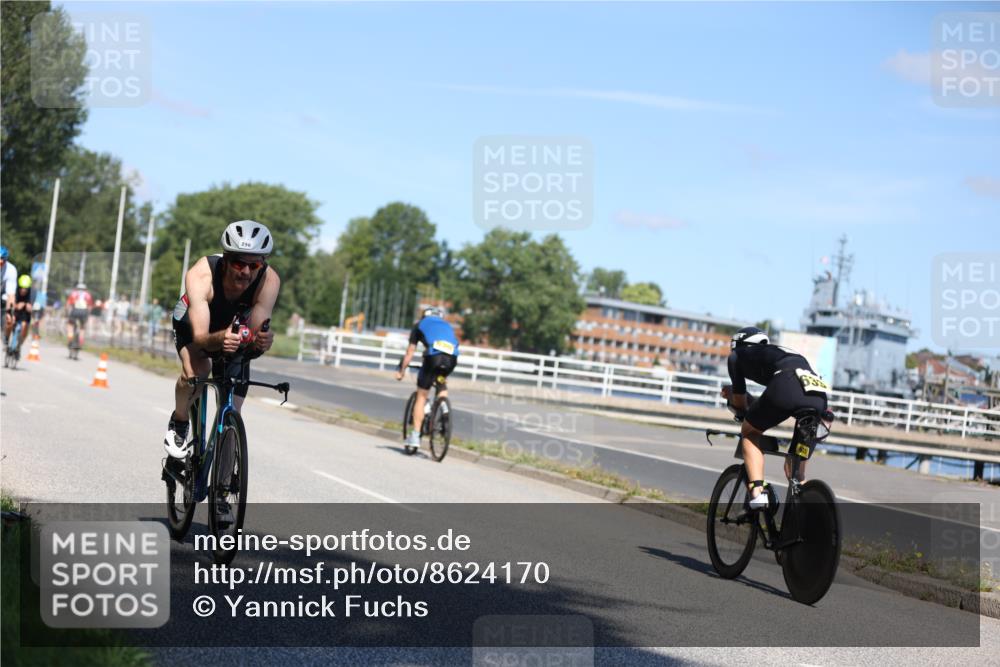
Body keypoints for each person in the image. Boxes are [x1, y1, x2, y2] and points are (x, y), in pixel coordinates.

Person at [164, 220, 280, 461]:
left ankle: (225, 479)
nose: (245, 272)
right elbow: (201, 338)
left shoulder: (269, 281)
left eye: (254, 265)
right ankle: (180, 421)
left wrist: (259, 343)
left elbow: (252, 336)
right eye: (238, 263)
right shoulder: (201, 274)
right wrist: (221, 339)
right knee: (198, 371)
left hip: (233, 328)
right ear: (226, 259)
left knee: (234, 405)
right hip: (192, 323)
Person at [721, 326, 830, 510]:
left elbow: (740, 402)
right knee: (794, 472)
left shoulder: (737, 355)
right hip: (818, 397)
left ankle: (758, 493)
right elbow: (779, 397)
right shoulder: (779, 353)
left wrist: (733, 397)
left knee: (749, 433)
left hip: (786, 385)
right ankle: (808, 513)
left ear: (737, 344)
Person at [395, 307, 460, 451]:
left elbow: (410, 352)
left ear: (424, 316)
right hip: (451, 359)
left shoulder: (419, 325)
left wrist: (401, 371)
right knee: (441, 382)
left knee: (422, 395)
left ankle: (415, 436)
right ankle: (444, 409)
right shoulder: (447, 326)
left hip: (433, 358)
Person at [5, 275, 34, 357]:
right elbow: (10, 303)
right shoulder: (15, 291)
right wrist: (16, 306)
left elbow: (32, 307)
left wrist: (29, 307)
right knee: (10, 322)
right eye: (21, 288)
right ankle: (6, 339)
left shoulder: (32, 293)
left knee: (24, 327)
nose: (23, 290)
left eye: (25, 289)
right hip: (16, 312)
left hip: (25, 314)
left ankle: (18, 346)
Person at [66, 283, 94, 348]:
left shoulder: (73, 294)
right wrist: (87, 314)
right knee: (82, 328)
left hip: (75, 312)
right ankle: (81, 343)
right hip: (84, 312)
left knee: (70, 326)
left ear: (77, 288)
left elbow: (68, 304)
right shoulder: (88, 295)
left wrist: (67, 313)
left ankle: (70, 340)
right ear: (85, 289)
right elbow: (90, 307)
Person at [1, 247, 18, 345]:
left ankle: (6, 338)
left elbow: (11, 295)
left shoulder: (11, 270)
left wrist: (9, 312)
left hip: (3, 296)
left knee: (10, 320)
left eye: (2, 260)